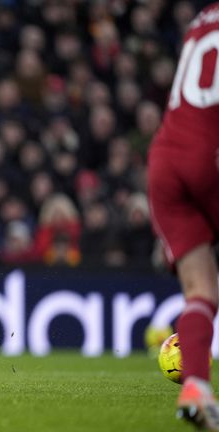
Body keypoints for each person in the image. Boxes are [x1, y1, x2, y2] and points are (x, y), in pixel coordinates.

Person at [147, 3, 219, 429]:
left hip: (164, 158)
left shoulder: (200, 20)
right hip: (209, 155)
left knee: (201, 290)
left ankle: (197, 390)